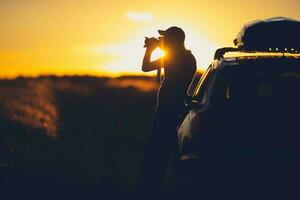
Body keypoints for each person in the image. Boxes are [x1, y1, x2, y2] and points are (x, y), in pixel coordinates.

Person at [138, 26, 197, 193]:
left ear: (174, 40)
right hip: (174, 106)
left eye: (167, 38)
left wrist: (153, 48)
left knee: (158, 147)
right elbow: (148, 66)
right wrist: (156, 47)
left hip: (168, 108)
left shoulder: (178, 58)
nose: (164, 40)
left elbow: (146, 66)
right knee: (165, 148)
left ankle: (151, 184)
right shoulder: (185, 57)